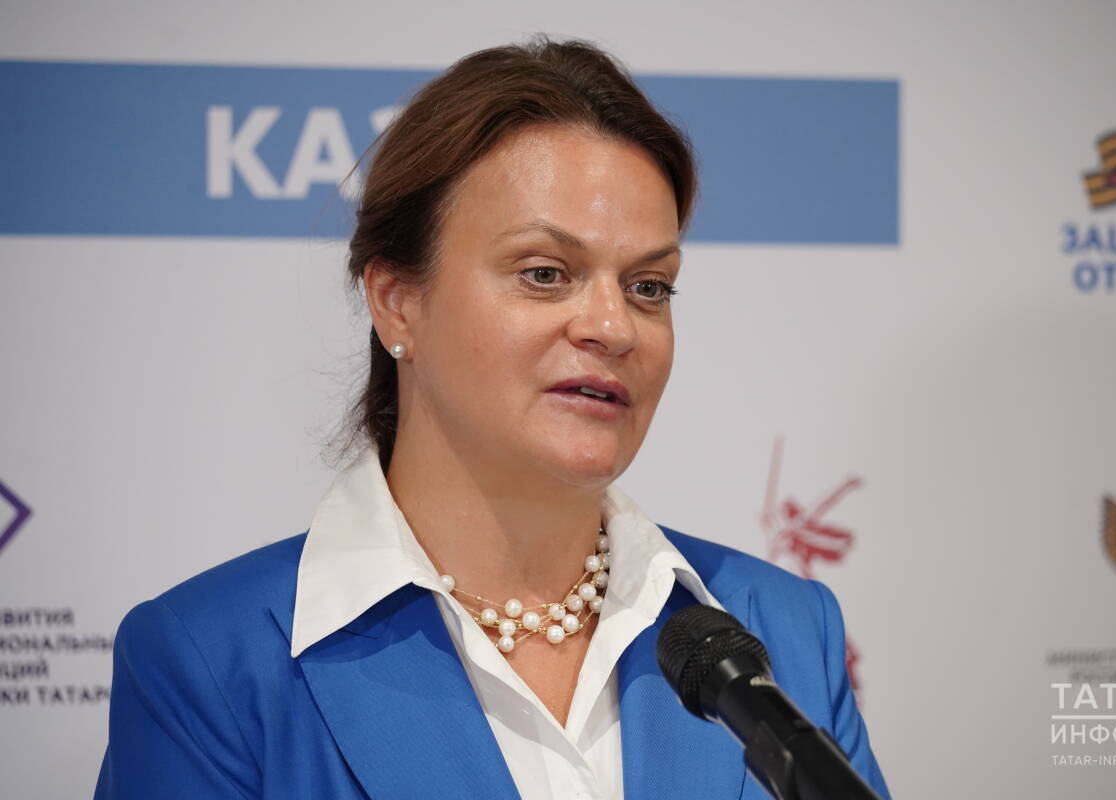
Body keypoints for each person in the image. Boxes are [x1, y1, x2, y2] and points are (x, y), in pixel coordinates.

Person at [94, 36, 890, 800]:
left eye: (649, 286)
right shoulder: (211, 660)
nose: (613, 326)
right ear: (397, 302)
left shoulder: (779, 631)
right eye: (545, 273)